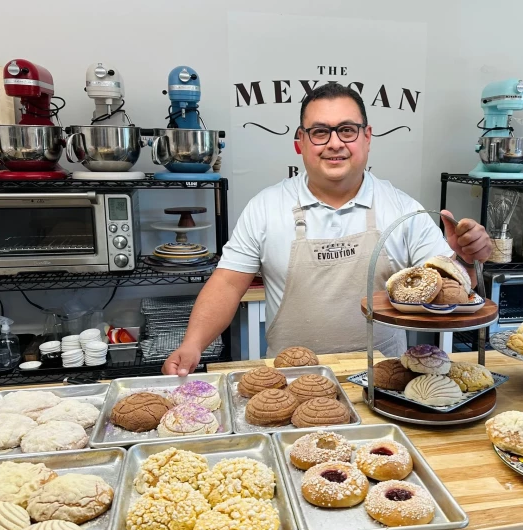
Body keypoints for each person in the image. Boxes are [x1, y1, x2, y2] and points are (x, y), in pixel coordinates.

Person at [163, 83, 491, 376]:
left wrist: (464, 262)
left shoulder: (404, 209)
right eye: (320, 132)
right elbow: (227, 285)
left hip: (385, 380)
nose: (334, 143)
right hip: (291, 384)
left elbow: (453, 289)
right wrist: (193, 344)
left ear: (367, 137)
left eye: (347, 130)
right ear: (300, 143)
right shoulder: (266, 206)